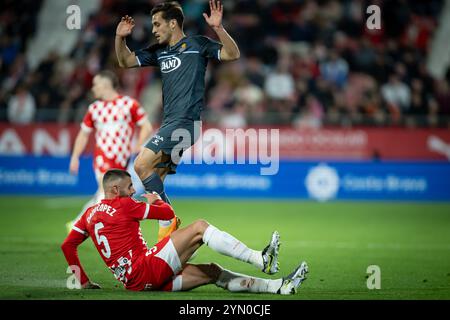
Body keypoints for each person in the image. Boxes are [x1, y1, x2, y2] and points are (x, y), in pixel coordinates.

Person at [61, 169, 309, 294]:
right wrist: (156, 201)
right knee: (200, 227)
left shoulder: (89, 214)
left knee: (213, 272)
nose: (133, 191)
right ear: (115, 190)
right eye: (128, 187)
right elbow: (168, 214)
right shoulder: (125, 204)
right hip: (145, 267)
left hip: (135, 283)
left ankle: (278, 287)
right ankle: (260, 259)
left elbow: (67, 246)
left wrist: (81, 281)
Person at [115, 1, 240, 241]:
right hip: (171, 124)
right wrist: (120, 38)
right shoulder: (159, 51)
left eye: (157, 24)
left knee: (141, 165)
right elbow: (125, 62)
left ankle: (168, 217)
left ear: (173, 23)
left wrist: (219, 28)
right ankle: (167, 242)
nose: (153, 29)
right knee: (155, 178)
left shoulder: (197, 45)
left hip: (186, 123)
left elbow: (233, 54)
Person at [66, 70, 153, 232]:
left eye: (95, 84)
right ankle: (86, 229)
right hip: (102, 157)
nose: (93, 88)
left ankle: (77, 224)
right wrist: (75, 157)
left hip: (122, 159)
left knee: (109, 195)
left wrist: (139, 144)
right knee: (104, 192)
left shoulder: (129, 104)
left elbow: (146, 126)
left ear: (105, 85)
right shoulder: (94, 108)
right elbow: (83, 135)